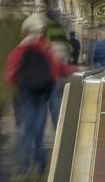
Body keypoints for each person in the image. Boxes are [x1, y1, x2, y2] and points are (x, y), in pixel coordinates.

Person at [6, 25, 68, 173]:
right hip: (42, 92)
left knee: (27, 126)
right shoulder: (47, 47)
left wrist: (19, 84)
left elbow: (11, 71)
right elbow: (56, 69)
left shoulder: (20, 48)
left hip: (26, 91)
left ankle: (24, 162)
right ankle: (41, 161)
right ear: (41, 32)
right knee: (39, 126)